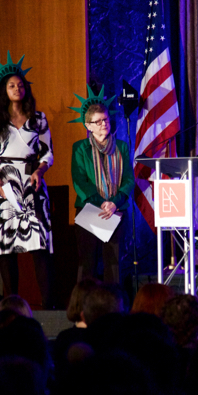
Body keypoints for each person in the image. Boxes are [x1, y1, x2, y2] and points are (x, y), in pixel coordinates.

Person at [0, 52, 53, 307]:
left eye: (20, 85)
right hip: (4, 187)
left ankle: (48, 307)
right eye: (12, 85)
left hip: (32, 183)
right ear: (4, 90)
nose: (17, 88)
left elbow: (47, 154)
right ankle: (10, 305)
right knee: (7, 247)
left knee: (39, 247)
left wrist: (39, 171)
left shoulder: (38, 119)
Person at [71, 95, 135, 283]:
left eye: (105, 119)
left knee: (113, 263)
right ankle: (84, 299)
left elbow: (129, 179)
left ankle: (113, 299)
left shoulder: (121, 146)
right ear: (88, 126)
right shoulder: (80, 148)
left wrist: (114, 203)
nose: (103, 124)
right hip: (89, 209)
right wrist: (101, 203)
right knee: (87, 262)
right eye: (97, 122)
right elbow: (80, 181)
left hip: (116, 210)